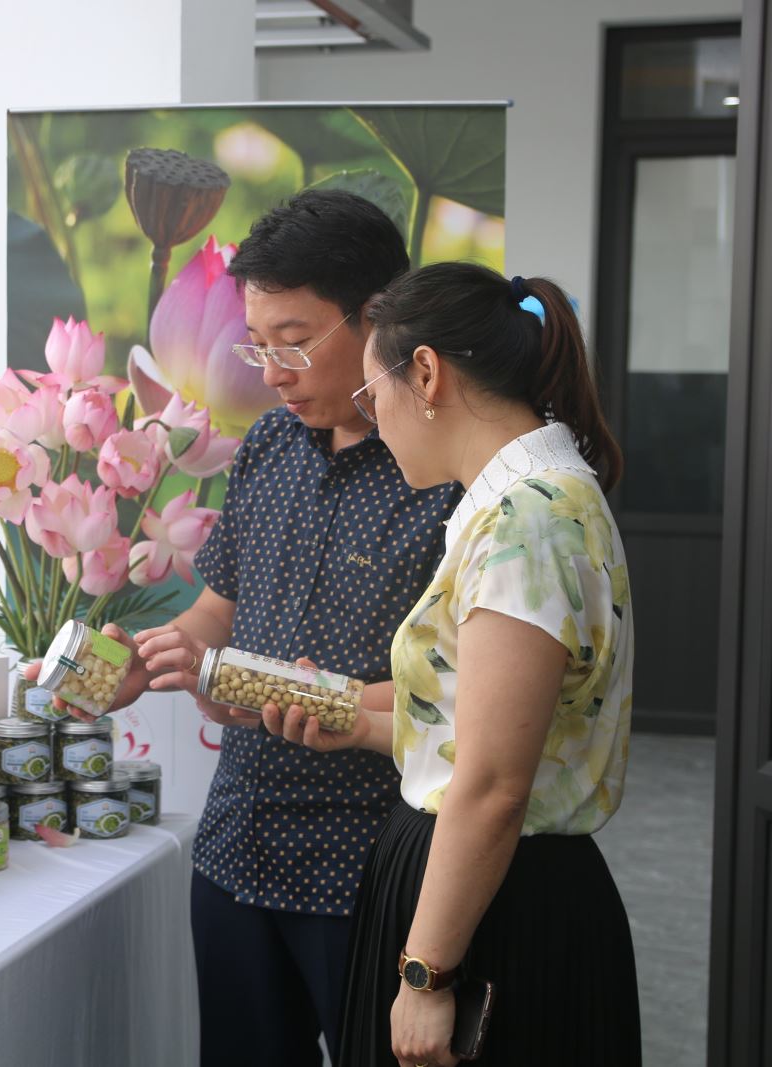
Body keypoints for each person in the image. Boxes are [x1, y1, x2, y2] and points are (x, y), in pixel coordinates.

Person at [32, 189, 459, 1064]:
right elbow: (212, 612)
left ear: (377, 317)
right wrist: (147, 662)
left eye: (295, 343)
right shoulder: (265, 447)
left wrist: (293, 692)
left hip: (370, 866)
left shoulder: (448, 474)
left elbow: (459, 697)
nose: (272, 371)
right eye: (257, 344)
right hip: (237, 848)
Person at [267, 262, 642, 1066]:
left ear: (426, 372)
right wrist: (348, 711)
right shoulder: (532, 502)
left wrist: (427, 972)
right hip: (490, 881)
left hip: (496, 902)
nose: (376, 420)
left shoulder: (528, 521)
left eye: (374, 395)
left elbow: (493, 784)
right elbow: (476, 723)